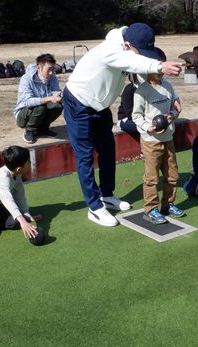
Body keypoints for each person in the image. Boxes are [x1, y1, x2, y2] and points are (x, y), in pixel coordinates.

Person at [63, 23, 183, 227]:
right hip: (78, 103)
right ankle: (94, 207)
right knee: (85, 156)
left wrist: (172, 96)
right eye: (140, 52)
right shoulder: (110, 50)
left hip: (100, 106)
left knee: (108, 150)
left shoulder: (129, 49)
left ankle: (106, 195)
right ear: (127, 45)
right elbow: (132, 62)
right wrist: (160, 66)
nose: (143, 56)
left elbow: (140, 74)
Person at [131, 67, 184, 224]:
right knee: (151, 177)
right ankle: (151, 209)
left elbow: (176, 107)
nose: (161, 73)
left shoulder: (168, 86)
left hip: (168, 138)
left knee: (172, 174)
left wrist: (173, 114)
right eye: (157, 69)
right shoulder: (141, 91)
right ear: (147, 70)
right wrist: (149, 127)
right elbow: (136, 116)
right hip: (150, 141)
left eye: (162, 69)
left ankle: (168, 204)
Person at [14, 53, 63, 144]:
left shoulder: (52, 77)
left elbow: (55, 92)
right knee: (40, 106)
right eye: (49, 69)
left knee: (57, 106)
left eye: (53, 69)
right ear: (39, 67)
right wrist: (49, 98)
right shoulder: (26, 79)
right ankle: (30, 130)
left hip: (41, 110)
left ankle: (42, 128)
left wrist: (59, 95)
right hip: (23, 116)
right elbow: (28, 102)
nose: (51, 72)